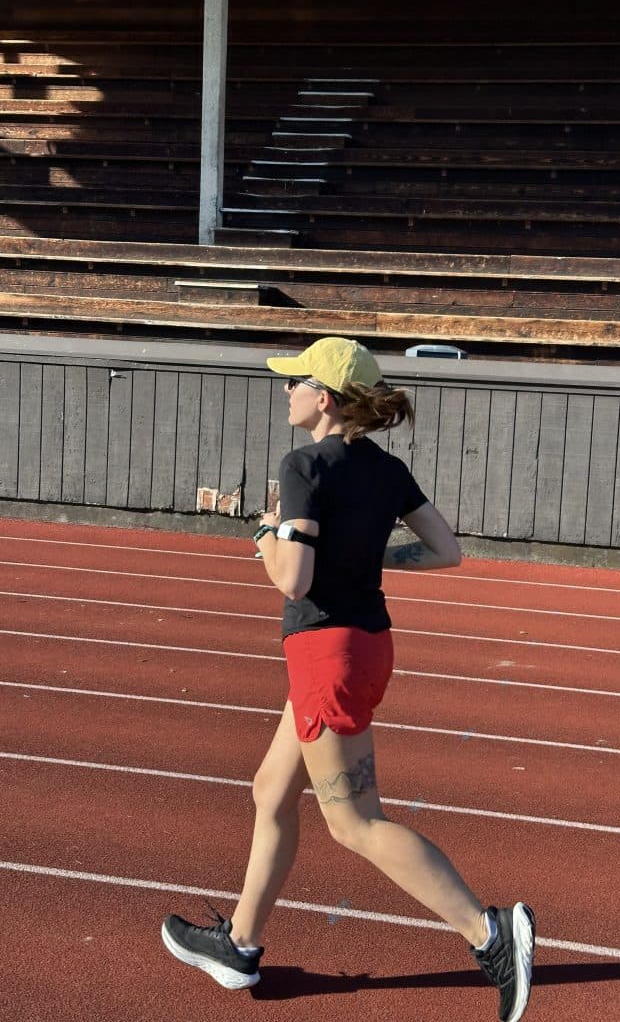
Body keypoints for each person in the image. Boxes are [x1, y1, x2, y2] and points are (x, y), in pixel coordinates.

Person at [161, 336, 535, 1022]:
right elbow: (446, 551)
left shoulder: (303, 464)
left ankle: (490, 935)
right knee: (271, 790)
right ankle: (239, 944)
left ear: (323, 398)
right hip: (366, 645)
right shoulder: (386, 470)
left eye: (296, 381)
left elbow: (292, 578)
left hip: (324, 653)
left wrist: (266, 536)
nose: (286, 391)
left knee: (355, 821)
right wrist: (364, 552)